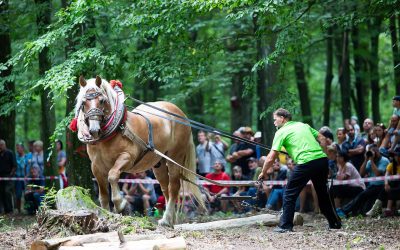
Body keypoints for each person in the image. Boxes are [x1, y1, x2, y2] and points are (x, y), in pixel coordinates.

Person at [258, 108, 341, 233]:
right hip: (321, 161)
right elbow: (323, 139)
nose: (274, 123)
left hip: (305, 163)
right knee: (323, 193)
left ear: (282, 118)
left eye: (275, 119)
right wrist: (322, 155)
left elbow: (270, 158)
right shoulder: (303, 125)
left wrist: (263, 173)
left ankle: (285, 226)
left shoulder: (281, 132)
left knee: (289, 193)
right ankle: (334, 223)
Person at [338, 144, 389, 217]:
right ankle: (349, 211)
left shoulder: (384, 160)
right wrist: (365, 160)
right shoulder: (369, 161)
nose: (371, 154)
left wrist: (371, 160)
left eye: (373, 152)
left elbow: (378, 173)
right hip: (371, 186)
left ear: (377, 152)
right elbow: (361, 173)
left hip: (381, 185)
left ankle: (345, 210)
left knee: (362, 195)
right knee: (363, 199)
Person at [366, 147, 400, 217]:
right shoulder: (391, 165)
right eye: (396, 155)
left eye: (398, 156)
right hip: (394, 186)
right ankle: (375, 209)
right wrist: (386, 183)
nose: (397, 157)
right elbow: (386, 175)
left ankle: (388, 209)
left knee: (392, 188)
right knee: (386, 188)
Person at [0, 139, 16, 214]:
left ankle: (9, 210)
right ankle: (2, 210)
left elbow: (14, 165)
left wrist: (11, 175)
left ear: (4, 145)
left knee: (7, 191)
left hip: (8, 176)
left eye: (1, 145)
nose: (0, 147)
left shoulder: (10, 153)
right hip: (1, 176)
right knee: (1, 192)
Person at [15, 143, 27, 213]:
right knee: (18, 194)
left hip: (26, 178)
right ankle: (18, 209)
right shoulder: (15, 157)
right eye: (17, 148)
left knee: (26, 193)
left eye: (18, 148)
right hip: (17, 178)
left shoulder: (27, 156)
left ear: (22, 148)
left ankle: (26, 208)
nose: (17, 150)